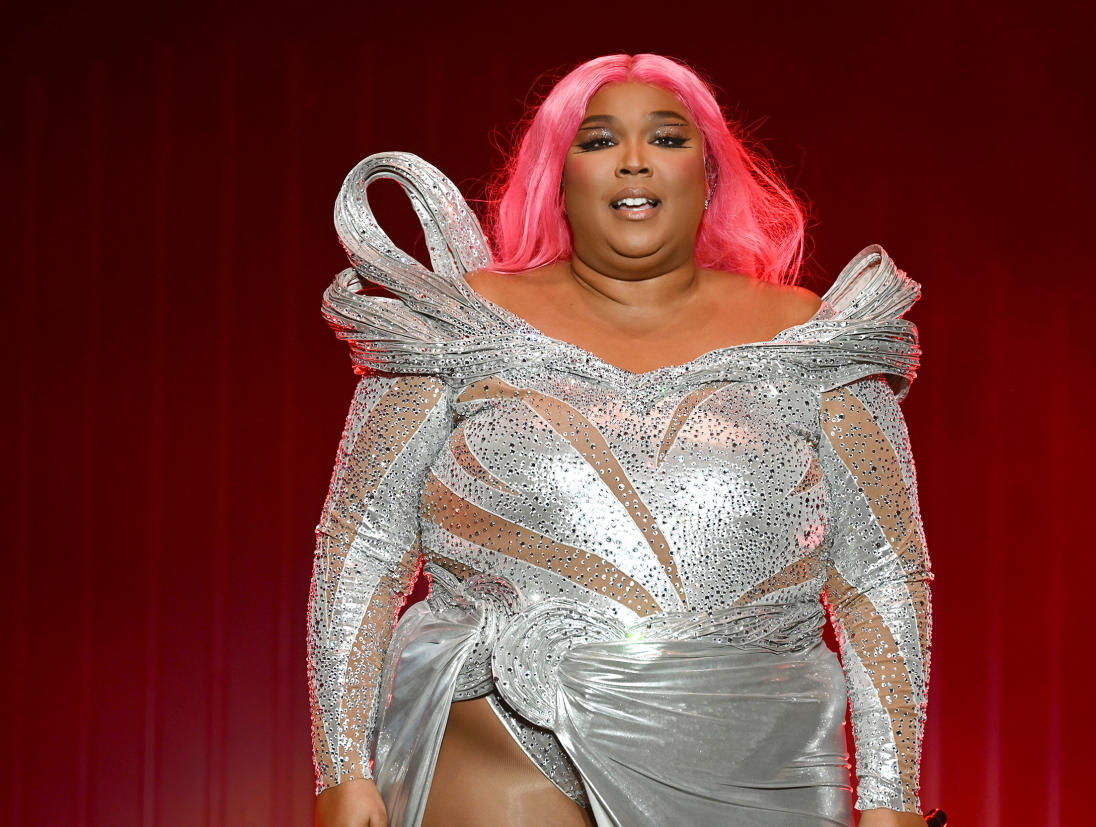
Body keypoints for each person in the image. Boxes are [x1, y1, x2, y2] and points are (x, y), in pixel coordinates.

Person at [308, 53, 933, 827]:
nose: (633, 159)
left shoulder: (816, 340)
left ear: (709, 175)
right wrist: (342, 764)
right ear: (557, 178)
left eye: (666, 138)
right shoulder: (454, 327)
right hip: (502, 735)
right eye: (597, 140)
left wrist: (892, 793)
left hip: (753, 761)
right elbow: (363, 543)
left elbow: (882, 573)